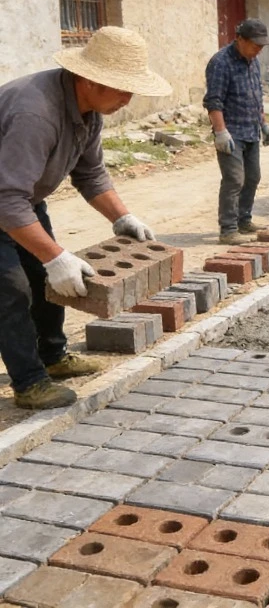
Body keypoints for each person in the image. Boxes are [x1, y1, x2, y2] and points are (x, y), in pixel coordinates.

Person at [0, 26, 172, 410]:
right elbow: (6, 201)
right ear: (90, 79)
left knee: (50, 281)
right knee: (11, 291)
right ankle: (29, 383)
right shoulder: (36, 112)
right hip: (6, 202)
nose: (128, 99)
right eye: (122, 88)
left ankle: (53, 356)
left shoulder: (89, 111)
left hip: (20, 202)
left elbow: (91, 175)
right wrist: (54, 256)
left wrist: (123, 217)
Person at [203, 19, 269, 245]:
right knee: (234, 179)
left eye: (262, 46)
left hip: (251, 129)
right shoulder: (221, 62)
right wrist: (220, 132)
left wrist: (263, 123)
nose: (258, 50)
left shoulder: (253, 62)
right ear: (240, 39)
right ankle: (228, 229)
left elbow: (256, 96)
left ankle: (244, 220)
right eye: (255, 45)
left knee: (253, 177)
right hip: (231, 132)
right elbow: (214, 101)